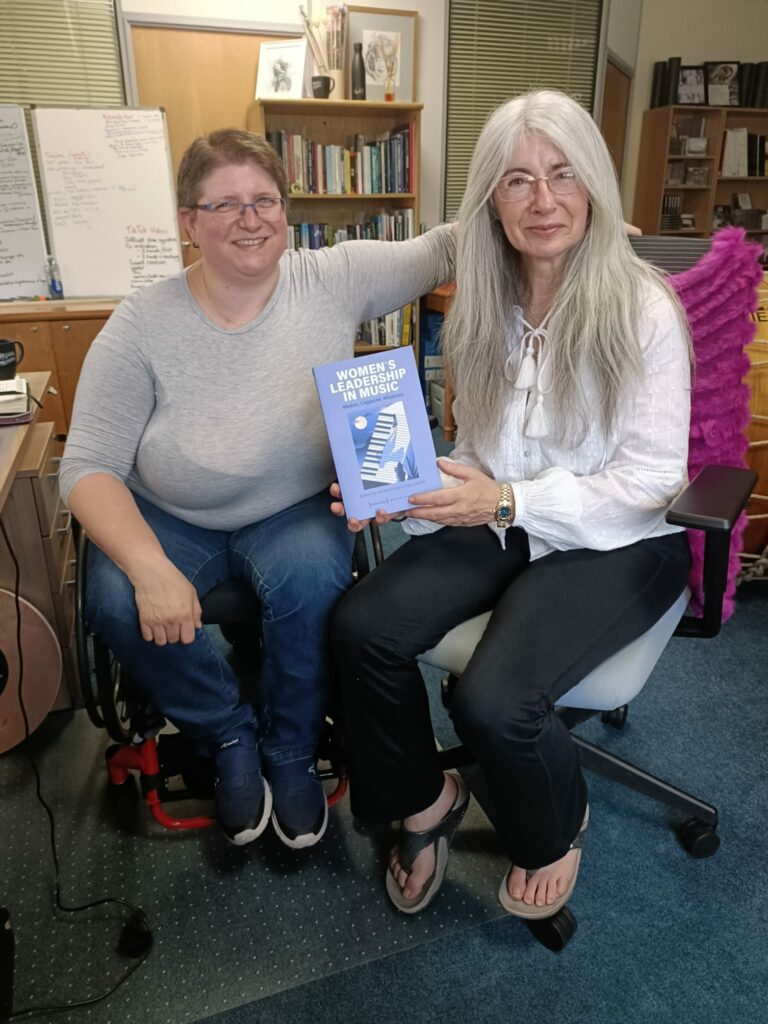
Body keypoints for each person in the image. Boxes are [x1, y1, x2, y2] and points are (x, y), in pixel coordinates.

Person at [332, 90, 692, 918]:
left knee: (492, 700)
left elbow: (650, 482)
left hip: (619, 539)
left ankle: (555, 824)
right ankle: (427, 799)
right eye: (518, 180)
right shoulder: (481, 305)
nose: (543, 201)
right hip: (503, 516)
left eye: (563, 175)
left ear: (594, 184)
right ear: (490, 199)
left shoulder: (644, 308)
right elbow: (477, 454)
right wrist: (405, 493)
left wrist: (505, 501)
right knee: (361, 626)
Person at [60, 128, 454, 849]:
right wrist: (151, 570)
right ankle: (229, 733)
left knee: (313, 582)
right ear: (189, 223)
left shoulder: (334, 276)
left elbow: (450, 245)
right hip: (173, 516)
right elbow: (85, 467)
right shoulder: (139, 324)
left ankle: (289, 749)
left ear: (285, 209)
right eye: (226, 205)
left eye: (265, 200)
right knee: (114, 599)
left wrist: (586, 224)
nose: (251, 219)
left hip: (292, 509)